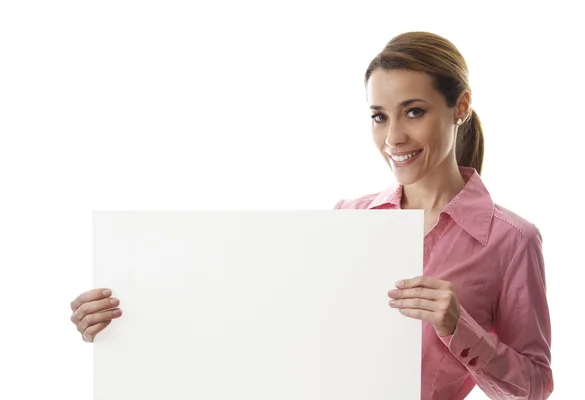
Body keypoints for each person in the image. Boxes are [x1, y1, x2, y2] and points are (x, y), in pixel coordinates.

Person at [70, 31, 553, 400]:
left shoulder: (510, 241)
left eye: (413, 111)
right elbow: (258, 320)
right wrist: (127, 320)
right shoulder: (349, 220)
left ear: (459, 107)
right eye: (379, 116)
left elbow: (535, 387)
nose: (393, 138)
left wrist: (457, 327)